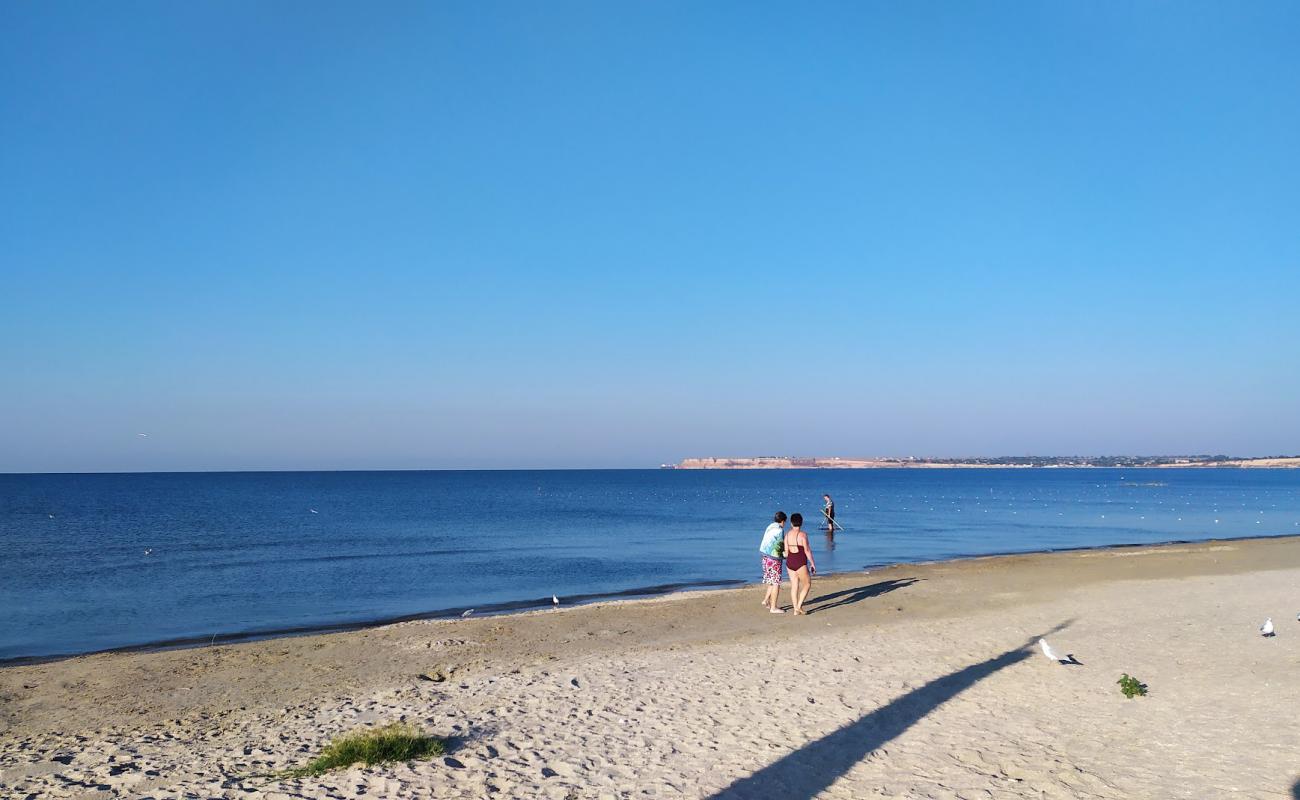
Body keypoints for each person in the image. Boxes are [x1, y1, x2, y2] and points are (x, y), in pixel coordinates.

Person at [784, 513, 816, 615]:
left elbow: (786, 551)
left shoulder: (787, 535)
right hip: (800, 562)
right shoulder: (803, 535)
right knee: (807, 584)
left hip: (790, 562)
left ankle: (795, 609)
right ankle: (798, 606)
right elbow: (807, 551)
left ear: (791, 523)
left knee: (794, 585)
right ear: (801, 522)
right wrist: (812, 564)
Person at [758, 511, 787, 614]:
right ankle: (773, 607)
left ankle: (766, 600)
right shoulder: (780, 530)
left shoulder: (770, 526)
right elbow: (780, 547)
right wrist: (786, 556)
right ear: (783, 521)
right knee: (776, 582)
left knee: (771, 580)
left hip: (764, 556)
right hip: (773, 558)